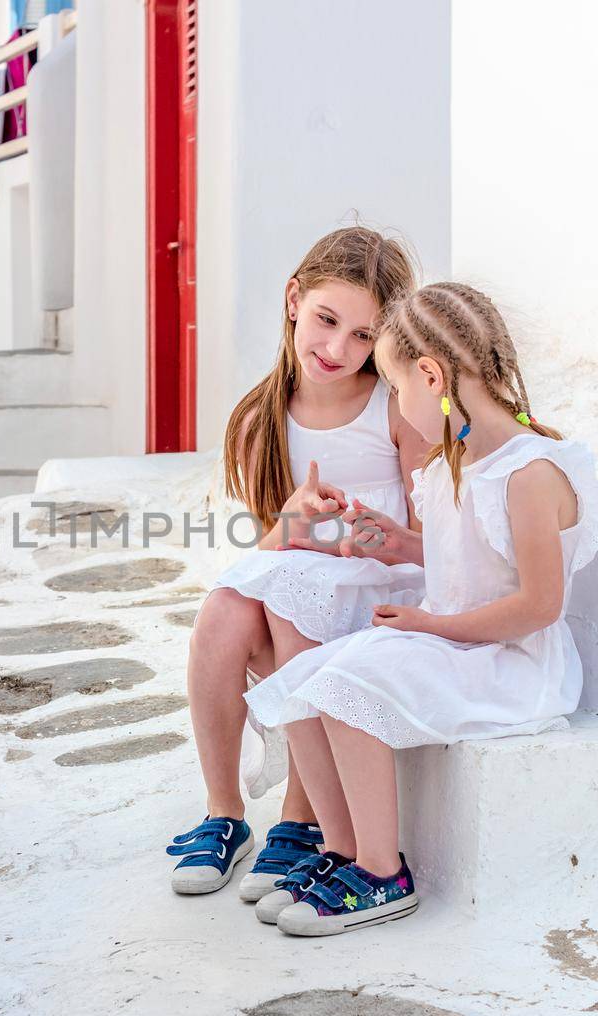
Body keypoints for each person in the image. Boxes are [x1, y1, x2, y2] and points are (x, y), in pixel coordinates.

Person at [245, 282, 598, 936]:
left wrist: (429, 624)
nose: (398, 408)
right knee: (303, 678)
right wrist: (399, 546)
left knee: (345, 683)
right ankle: (343, 850)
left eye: (396, 388)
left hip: (512, 666)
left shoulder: (528, 473)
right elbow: (462, 564)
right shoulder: (453, 465)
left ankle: (384, 873)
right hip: (457, 645)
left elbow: (537, 604)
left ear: (432, 375)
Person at [166, 226, 423, 898]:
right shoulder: (262, 420)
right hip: (304, 583)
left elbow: (433, 544)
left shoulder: (394, 410)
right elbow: (269, 553)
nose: (338, 349)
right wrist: (293, 526)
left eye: (364, 336)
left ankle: (302, 818)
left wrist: (374, 536)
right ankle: (225, 812)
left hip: (384, 586)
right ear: (293, 300)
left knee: (295, 598)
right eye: (327, 320)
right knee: (227, 608)